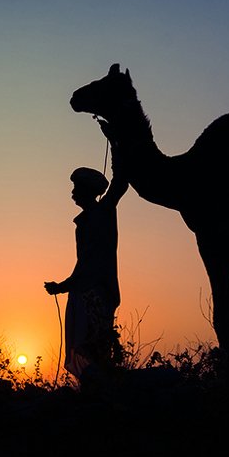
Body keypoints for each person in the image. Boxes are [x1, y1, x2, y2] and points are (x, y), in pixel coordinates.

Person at [44, 164, 128, 389]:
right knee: (87, 342)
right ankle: (95, 390)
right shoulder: (84, 222)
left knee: (94, 343)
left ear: (88, 191)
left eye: (76, 187)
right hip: (82, 290)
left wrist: (118, 147)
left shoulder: (105, 210)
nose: (72, 192)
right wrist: (63, 286)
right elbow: (84, 264)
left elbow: (120, 183)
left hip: (97, 291)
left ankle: (101, 390)